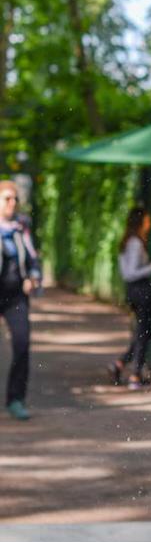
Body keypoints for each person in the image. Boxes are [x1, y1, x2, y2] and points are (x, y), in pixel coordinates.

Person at [108, 207, 151, 389]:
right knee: (142, 334)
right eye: (148, 221)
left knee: (143, 332)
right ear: (140, 222)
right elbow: (131, 273)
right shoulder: (135, 243)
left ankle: (120, 364)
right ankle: (135, 375)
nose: (149, 225)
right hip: (140, 290)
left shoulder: (129, 241)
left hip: (134, 291)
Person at [0, 179, 41, 421]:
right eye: (7, 198)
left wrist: (33, 277)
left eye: (15, 198)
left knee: (22, 343)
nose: (12, 203)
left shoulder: (21, 226)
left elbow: (33, 258)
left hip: (16, 295)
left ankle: (16, 399)